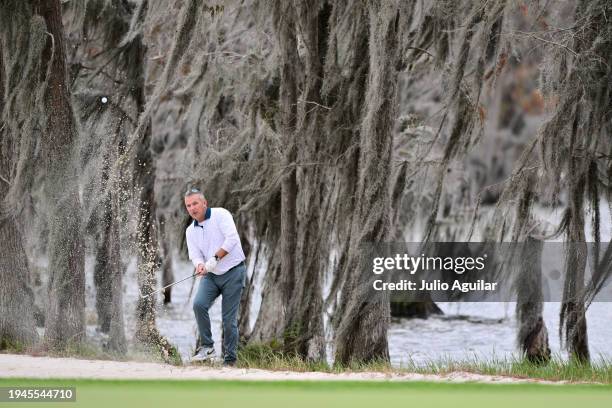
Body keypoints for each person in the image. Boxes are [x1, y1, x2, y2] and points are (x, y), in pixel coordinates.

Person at [184, 188, 246, 366]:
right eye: (188, 205)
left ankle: (230, 360)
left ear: (204, 203)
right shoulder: (190, 231)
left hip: (234, 272)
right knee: (199, 305)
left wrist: (215, 258)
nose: (192, 208)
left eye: (195, 203)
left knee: (228, 320)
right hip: (211, 275)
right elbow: (195, 255)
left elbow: (232, 239)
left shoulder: (221, 215)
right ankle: (207, 347)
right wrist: (200, 265)